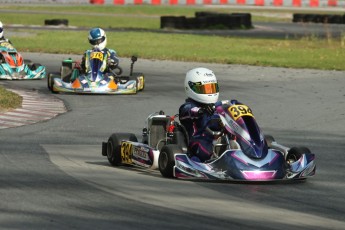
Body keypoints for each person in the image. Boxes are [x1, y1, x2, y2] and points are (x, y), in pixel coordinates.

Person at [179, 67, 224, 162]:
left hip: (218, 138)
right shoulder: (188, 107)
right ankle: (196, 163)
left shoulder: (216, 106)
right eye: (205, 89)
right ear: (190, 87)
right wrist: (201, 111)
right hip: (198, 141)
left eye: (212, 88)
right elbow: (189, 111)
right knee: (205, 145)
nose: (210, 92)